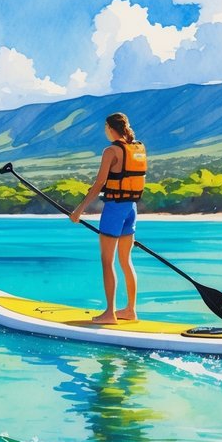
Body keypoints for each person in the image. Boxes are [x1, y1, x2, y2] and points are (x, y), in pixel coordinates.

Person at [70, 112, 147, 324]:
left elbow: (98, 184)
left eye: (105, 127)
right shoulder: (136, 148)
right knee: (126, 261)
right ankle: (130, 310)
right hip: (131, 209)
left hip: (114, 210)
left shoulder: (110, 151)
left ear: (110, 128)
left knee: (107, 261)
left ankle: (109, 313)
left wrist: (78, 211)